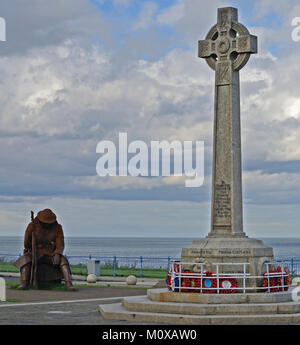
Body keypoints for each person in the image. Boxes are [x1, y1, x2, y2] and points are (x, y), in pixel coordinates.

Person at [14, 209, 75, 291]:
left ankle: (69, 284)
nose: (47, 225)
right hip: (35, 252)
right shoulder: (32, 226)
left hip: (50, 253)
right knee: (25, 259)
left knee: (63, 260)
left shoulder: (57, 228)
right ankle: (24, 283)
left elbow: (60, 244)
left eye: (49, 223)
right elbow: (26, 243)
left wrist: (57, 254)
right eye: (45, 223)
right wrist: (32, 243)